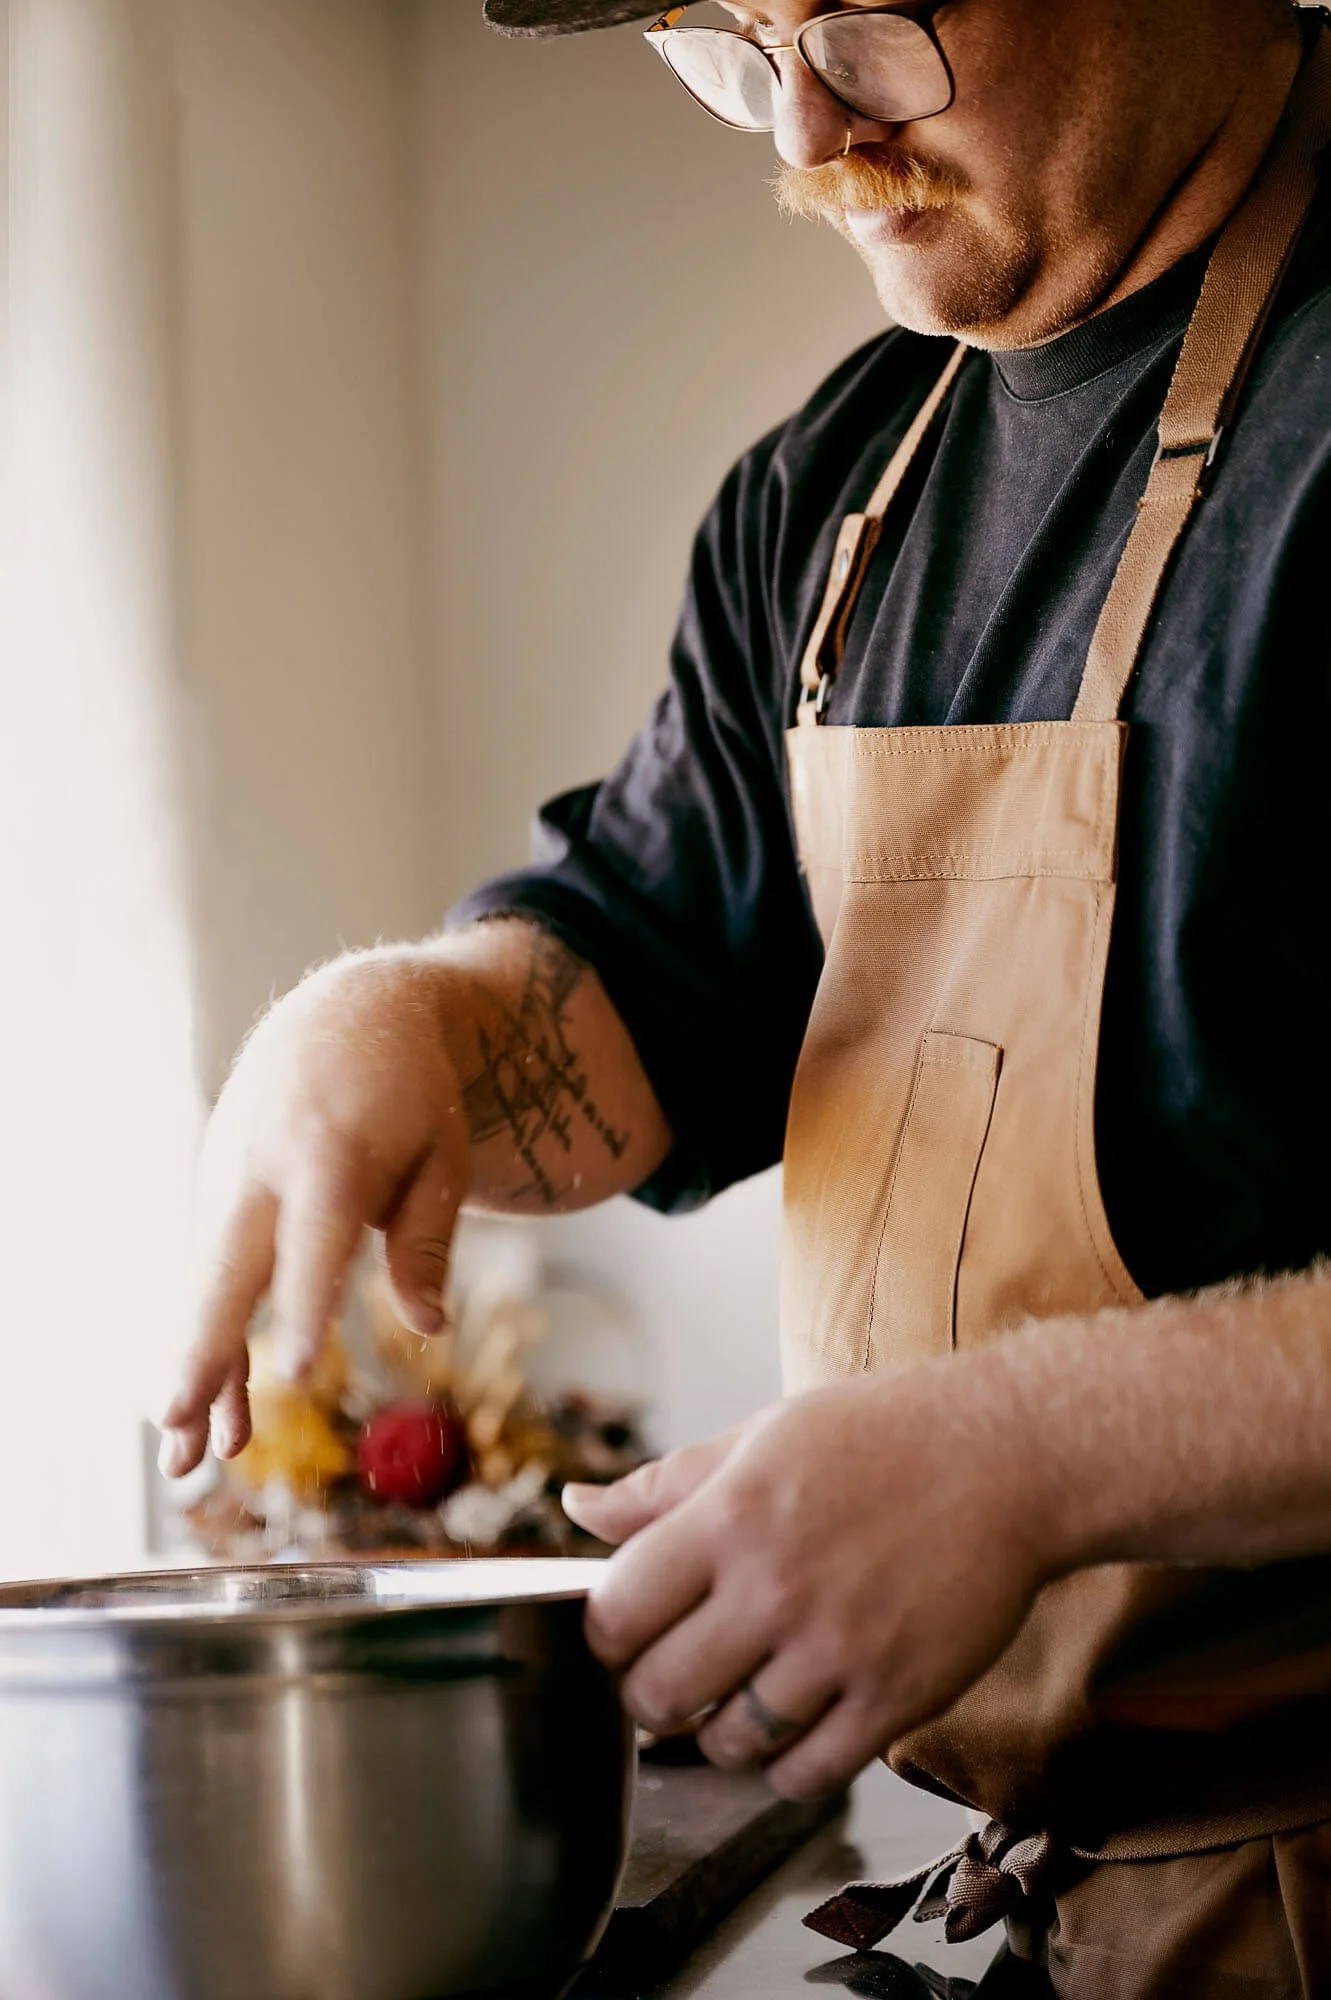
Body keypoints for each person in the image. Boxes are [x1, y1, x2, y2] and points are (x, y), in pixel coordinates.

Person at [161, 1, 1331, 1990]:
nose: (798, 124)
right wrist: (405, 1024)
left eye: (871, 19)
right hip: (1084, 1909)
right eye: (719, 33)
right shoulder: (845, 487)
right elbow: (649, 972)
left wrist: (1022, 1449)